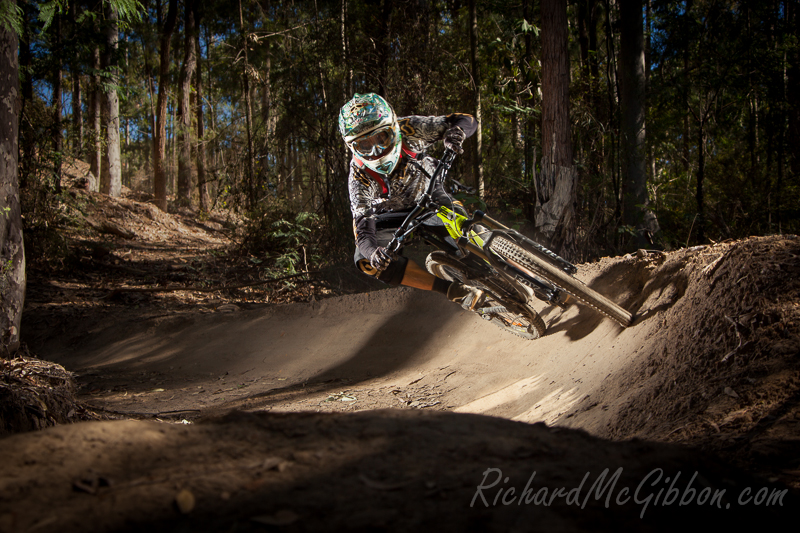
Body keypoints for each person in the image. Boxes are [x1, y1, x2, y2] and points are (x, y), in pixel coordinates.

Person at [338, 92, 479, 304]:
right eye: (364, 146)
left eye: (382, 137)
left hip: (430, 196)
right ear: (352, 147)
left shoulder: (409, 128)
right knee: (366, 261)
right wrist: (374, 253)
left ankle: (522, 268)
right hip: (391, 216)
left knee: (469, 237)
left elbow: (466, 120)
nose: (376, 151)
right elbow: (363, 232)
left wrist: (456, 132)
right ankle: (451, 290)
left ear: (394, 126)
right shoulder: (358, 176)